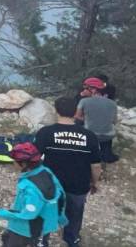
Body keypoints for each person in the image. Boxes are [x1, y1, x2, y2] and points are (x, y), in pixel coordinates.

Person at [35, 97, 102, 247]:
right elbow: (96, 166)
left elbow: (34, 158)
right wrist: (94, 182)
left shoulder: (46, 132)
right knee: (75, 214)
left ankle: (42, 241)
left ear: (56, 110)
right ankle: (72, 239)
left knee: (46, 213)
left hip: (51, 185)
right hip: (78, 185)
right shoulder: (89, 136)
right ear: (75, 113)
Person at [0, 142, 67, 247]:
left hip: (26, 230)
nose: (13, 164)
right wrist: (61, 217)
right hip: (45, 225)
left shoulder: (30, 187)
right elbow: (61, 195)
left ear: (24, 164)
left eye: (14, 161)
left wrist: (0, 213)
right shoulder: (46, 171)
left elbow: (28, 214)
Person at [76, 77, 119, 163]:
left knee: (77, 123)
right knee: (106, 138)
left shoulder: (84, 101)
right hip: (108, 136)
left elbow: (77, 116)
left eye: (85, 89)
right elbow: (114, 121)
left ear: (93, 89)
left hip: (90, 136)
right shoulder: (113, 103)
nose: (83, 91)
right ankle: (107, 155)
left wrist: (88, 118)